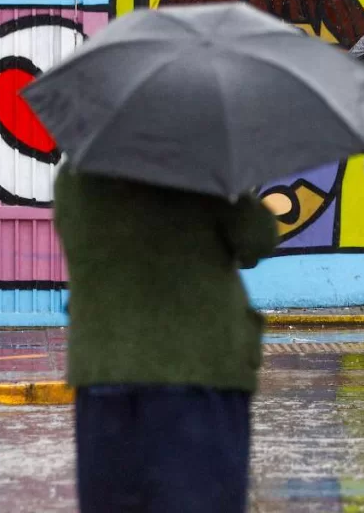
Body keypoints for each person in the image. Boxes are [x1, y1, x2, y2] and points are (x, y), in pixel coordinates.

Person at [54, 170, 279, 512]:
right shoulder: (203, 170)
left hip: (105, 365)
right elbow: (257, 239)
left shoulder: (77, 175)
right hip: (200, 365)